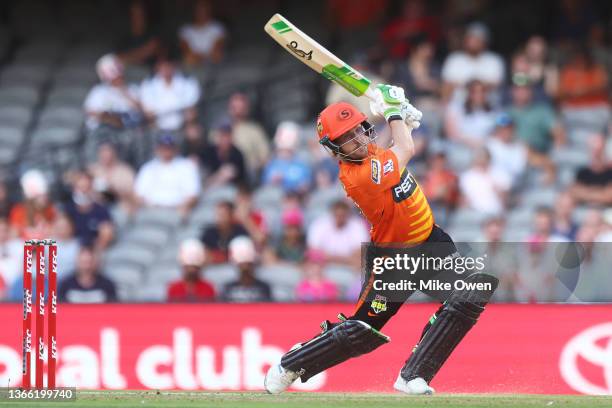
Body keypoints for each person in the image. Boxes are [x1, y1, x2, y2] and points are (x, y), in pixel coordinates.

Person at [264, 86, 497, 395]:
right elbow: (405, 151)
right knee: (359, 332)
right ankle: (292, 363)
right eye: (346, 138)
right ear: (333, 149)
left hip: (431, 243)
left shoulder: (373, 152)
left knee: (470, 293)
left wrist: (405, 121)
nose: (358, 140)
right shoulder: (357, 177)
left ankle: (414, 375)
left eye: (358, 130)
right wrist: (393, 111)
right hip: (394, 260)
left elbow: (398, 147)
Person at [134, 133, 200, 217]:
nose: (166, 150)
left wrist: (184, 207)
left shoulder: (187, 166)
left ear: (176, 149)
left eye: (169, 147)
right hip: (152, 211)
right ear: (157, 149)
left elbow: (193, 195)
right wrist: (148, 207)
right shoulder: (148, 168)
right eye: (163, 147)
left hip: (176, 211)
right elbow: (138, 195)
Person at [441, 22, 504, 102]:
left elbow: (495, 84)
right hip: (458, 107)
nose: (473, 42)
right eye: (470, 38)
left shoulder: (494, 60)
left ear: (485, 42)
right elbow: (446, 86)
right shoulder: (454, 59)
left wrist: (463, 85)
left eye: (477, 39)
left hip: (488, 108)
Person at [140, 55, 200, 131]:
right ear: (157, 67)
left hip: (183, 125)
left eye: (168, 65)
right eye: (163, 65)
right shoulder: (148, 84)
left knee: (193, 130)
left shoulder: (188, 81)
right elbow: (148, 112)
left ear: (174, 65)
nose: (166, 68)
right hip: (157, 126)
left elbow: (191, 110)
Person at [83, 54, 142, 131]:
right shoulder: (99, 91)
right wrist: (109, 118)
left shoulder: (133, 89)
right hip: (104, 131)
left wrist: (124, 91)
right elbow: (90, 111)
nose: (119, 76)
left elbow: (141, 112)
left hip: (129, 130)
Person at [306, 199, 369, 268]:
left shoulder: (357, 225)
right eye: (337, 215)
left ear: (348, 214)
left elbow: (362, 249)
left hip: (350, 265)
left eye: (343, 215)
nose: (340, 218)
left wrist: (340, 259)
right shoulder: (319, 224)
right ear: (332, 213)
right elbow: (314, 249)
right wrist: (343, 259)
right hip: (324, 264)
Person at [63, 171, 114, 252]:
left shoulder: (100, 210)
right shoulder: (68, 209)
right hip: (72, 250)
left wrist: (93, 253)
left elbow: (106, 233)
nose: (83, 191)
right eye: (80, 187)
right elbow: (62, 233)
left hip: (94, 251)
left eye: (87, 188)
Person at [227, 93, 270, 177]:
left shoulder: (255, 131)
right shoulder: (220, 131)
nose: (238, 111)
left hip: (250, 176)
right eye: (235, 108)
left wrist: (253, 167)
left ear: (246, 109)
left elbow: (265, 157)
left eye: (241, 108)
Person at [262, 122, 312, 194]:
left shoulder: (302, 164)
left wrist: (287, 182)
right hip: (274, 198)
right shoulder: (271, 164)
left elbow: (305, 186)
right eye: (281, 150)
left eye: (287, 150)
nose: (283, 154)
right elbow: (264, 185)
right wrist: (273, 182)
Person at [444, 80, 497, 148]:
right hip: (459, 146)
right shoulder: (455, 108)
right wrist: (471, 143)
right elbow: (451, 134)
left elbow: (495, 134)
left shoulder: (493, 112)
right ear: (468, 93)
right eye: (474, 92)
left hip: (485, 148)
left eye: (482, 91)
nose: (478, 95)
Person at [459, 148, 511, 215]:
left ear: (489, 159)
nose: (481, 161)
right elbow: (464, 200)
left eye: (483, 158)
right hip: (474, 213)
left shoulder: (500, 173)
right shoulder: (467, 177)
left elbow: (505, 198)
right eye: (479, 158)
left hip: (495, 213)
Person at [88, 142, 136, 213]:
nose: (106, 156)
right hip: (95, 206)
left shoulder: (125, 171)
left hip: (119, 206)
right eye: (103, 152)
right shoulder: (92, 170)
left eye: (108, 152)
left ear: (114, 153)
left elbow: (133, 194)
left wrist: (113, 190)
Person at [221, 236, 272, 302]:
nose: (245, 268)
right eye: (242, 264)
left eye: (248, 264)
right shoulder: (228, 287)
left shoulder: (264, 287)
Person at [9, 170, 57, 240]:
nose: (45, 198)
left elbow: (55, 234)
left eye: (45, 195)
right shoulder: (18, 211)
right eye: (41, 196)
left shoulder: (50, 209)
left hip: (45, 247)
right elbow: (13, 236)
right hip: (27, 248)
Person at [486, 113, 528, 188]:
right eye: (502, 129)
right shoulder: (489, 145)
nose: (506, 131)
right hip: (492, 186)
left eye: (509, 128)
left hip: (515, 187)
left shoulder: (519, 147)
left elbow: (520, 170)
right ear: (497, 130)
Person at [569, 133, 612, 206]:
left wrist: (586, 192)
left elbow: (609, 196)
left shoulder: (610, 173)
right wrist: (600, 191)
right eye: (593, 150)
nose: (596, 154)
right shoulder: (582, 172)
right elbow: (574, 192)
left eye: (599, 151)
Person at [200, 122, 247, 187]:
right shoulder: (208, 152)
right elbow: (204, 179)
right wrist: (220, 175)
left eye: (228, 136)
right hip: (210, 189)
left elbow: (241, 180)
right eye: (223, 136)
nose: (225, 140)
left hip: (231, 190)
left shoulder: (237, 154)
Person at [179, 0, 225, 65]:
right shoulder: (185, 30)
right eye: (199, 9)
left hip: (213, 64)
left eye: (205, 8)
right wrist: (203, 57)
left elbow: (217, 50)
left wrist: (201, 57)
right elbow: (186, 51)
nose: (202, 12)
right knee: (188, 59)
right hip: (192, 63)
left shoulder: (217, 27)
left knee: (217, 56)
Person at [116, 0, 160, 66]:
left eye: (141, 14)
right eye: (135, 14)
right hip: (130, 74)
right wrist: (144, 51)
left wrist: (131, 57)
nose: (138, 18)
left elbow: (162, 60)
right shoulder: (123, 39)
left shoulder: (154, 35)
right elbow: (119, 59)